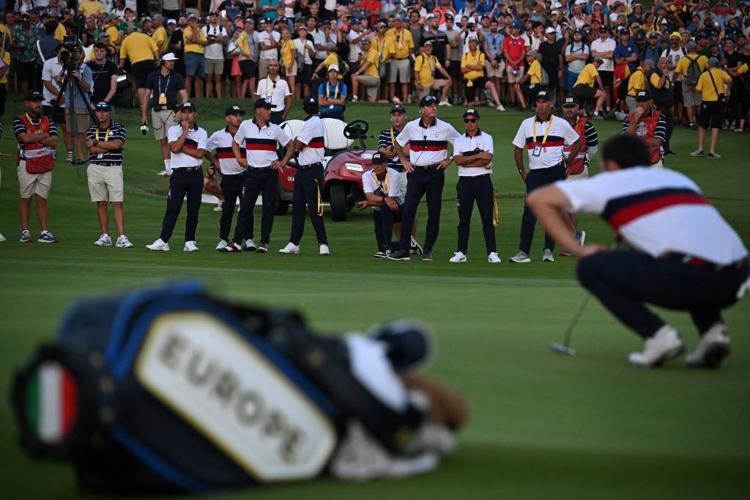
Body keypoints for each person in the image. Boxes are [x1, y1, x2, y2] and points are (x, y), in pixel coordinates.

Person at [527, 134, 749, 368]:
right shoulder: (677, 179)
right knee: (694, 259)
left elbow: (539, 199)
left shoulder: (611, 182)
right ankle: (714, 332)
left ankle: (658, 336)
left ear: (612, 165)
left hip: (692, 278)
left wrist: (577, 250)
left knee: (591, 267)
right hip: (738, 278)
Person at [510, 90, 581, 264]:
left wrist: (567, 163)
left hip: (555, 171)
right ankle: (523, 252)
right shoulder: (526, 124)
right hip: (535, 173)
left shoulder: (561, 123)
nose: (541, 105)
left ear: (551, 104)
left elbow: (578, 142)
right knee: (529, 211)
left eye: (544, 102)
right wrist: (521, 171)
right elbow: (518, 148)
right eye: (538, 102)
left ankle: (548, 250)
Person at [388, 95, 460, 262]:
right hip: (416, 173)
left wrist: (449, 159)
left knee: (434, 211)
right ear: (421, 109)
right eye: (428, 106)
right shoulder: (412, 126)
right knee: (408, 210)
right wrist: (404, 160)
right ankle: (404, 248)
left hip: (435, 173)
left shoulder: (445, 127)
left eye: (434, 105)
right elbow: (398, 144)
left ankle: (428, 249)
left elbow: (461, 143)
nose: (433, 108)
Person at [231, 99, 293, 253]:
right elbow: (235, 143)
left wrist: (283, 162)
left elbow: (290, 145)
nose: (269, 112)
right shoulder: (245, 126)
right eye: (266, 109)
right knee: (245, 208)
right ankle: (237, 242)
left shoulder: (276, 129)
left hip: (270, 174)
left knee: (268, 209)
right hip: (252, 173)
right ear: (258, 110)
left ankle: (264, 243)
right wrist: (239, 159)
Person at [146, 102, 207, 252]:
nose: (187, 115)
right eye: (184, 112)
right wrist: (185, 133)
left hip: (195, 173)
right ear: (180, 114)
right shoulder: (173, 130)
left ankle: (190, 241)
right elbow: (173, 148)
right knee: (172, 208)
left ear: (195, 114)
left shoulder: (202, 132)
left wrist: (181, 147)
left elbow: (200, 154)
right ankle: (163, 240)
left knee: (193, 209)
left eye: (190, 112)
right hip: (179, 174)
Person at [279, 96, 330, 256]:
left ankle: (323, 243)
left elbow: (299, 145)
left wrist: (295, 141)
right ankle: (294, 242)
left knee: (315, 209)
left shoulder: (313, 122)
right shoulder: (312, 122)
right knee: (298, 208)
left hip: (312, 170)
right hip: (303, 170)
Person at [449, 108, 500, 264]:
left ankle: (492, 252)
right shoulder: (459, 140)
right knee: (464, 220)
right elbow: (458, 161)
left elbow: (488, 158)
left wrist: (467, 159)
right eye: (467, 121)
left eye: (472, 120)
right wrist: (478, 156)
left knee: (487, 219)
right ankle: (462, 252)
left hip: (483, 181)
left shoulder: (487, 138)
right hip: (465, 182)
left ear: (478, 121)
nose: (469, 123)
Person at [84, 102, 132, 249]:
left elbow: (117, 144)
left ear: (109, 112)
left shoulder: (119, 127)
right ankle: (105, 236)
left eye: (104, 111)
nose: (101, 114)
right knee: (101, 202)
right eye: (99, 111)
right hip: (95, 168)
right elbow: (90, 149)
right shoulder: (91, 129)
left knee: (117, 202)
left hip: (113, 168)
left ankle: (122, 237)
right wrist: (110, 146)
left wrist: (98, 143)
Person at [14, 91, 58, 244]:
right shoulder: (19, 120)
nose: (38, 104)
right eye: (34, 101)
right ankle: (25, 232)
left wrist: (35, 137)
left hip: (45, 163)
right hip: (27, 163)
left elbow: (54, 141)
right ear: (27, 103)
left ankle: (44, 232)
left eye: (39, 101)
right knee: (26, 198)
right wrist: (43, 136)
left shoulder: (48, 120)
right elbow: (24, 138)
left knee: (42, 199)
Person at [205, 105, 247, 252]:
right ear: (227, 118)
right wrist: (215, 162)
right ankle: (223, 239)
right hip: (228, 178)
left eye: (240, 115)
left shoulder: (247, 133)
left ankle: (248, 239)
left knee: (245, 209)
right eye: (235, 115)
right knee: (227, 210)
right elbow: (205, 149)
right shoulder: (218, 135)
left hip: (244, 176)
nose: (239, 118)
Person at [559, 96, 598, 256]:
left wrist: (585, 160)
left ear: (578, 108)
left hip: (578, 169)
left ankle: (572, 242)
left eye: (572, 106)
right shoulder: (556, 123)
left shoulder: (586, 124)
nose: (569, 110)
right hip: (560, 169)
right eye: (567, 106)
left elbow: (593, 146)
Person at [356, 151, 407, 258]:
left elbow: (392, 200)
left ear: (386, 164)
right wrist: (383, 199)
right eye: (375, 164)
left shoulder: (394, 175)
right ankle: (388, 247)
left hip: (398, 208)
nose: (377, 167)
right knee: (379, 214)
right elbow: (370, 196)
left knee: (385, 211)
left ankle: (386, 248)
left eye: (380, 164)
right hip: (382, 207)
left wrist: (368, 203)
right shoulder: (367, 175)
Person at [145, 52, 187, 175]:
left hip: (170, 111)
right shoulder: (153, 76)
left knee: (172, 139)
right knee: (162, 140)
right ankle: (168, 168)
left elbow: (184, 96)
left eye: (173, 61)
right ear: (164, 62)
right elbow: (147, 95)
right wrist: (143, 113)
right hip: (156, 111)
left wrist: (180, 110)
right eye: (170, 61)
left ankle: (175, 167)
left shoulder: (176, 76)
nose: (172, 63)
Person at [691, 57, 732, 159]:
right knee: (715, 126)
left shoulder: (704, 75)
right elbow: (730, 79)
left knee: (702, 125)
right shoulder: (721, 72)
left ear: (708, 65)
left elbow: (698, 89)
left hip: (706, 102)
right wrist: (728, 90)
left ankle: (700, 149)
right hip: (718, 102)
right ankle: (712, 151)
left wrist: (705, 90)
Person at [119, 25, 159, 121]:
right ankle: (156, 104)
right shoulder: (145, 36)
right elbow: (155, 49)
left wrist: (120, 66)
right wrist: (157, 59)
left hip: (137, 63)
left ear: (127, 33)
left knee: (141, 86)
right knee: (153, 84)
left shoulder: (126, 40)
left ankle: (143, 106)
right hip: (150, 61)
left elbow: (122, 57)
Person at [622, 90, 668, 167]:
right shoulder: (629, 118)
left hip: (653, 160)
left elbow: (657, 141)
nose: (640, 104)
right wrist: (635, 120)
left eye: (643, 101)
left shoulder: (659, 116)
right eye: (638, 101)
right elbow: (625, 141)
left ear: (650, 102)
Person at [461, 37, 503, 109]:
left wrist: (469, 66)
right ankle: (485, 101)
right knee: (470, 104)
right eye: (471, 43)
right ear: (468, 45)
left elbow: (481, 67)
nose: (473, 44)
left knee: (491, 84)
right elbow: (462, 70)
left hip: (479, 78)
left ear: (477, 44)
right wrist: (476, 66)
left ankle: (499, 104)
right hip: (469, 80)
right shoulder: (465, 55)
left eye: (475, 43)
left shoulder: (481, 54)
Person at [675, 41, 707, 128]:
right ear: (696, 48)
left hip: (686, 82)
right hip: (699, 82)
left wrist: (673, 81)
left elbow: (677, 72)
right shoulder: (703, 58)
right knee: (699, 102)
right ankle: (701, 120)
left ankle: (691, 122)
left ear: (688, 49)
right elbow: (709, 68)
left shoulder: (683, 59)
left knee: (688, 103)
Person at [383, 15, 414, 104]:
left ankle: (404, 99)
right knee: (392, 81)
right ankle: (392, 99)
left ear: (403, 22)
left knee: (404, 81)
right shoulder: (389, 32)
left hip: (404, 59)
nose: (398, 23)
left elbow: (411, 47)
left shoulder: (407, 33)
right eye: (396, 21)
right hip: (393, 58)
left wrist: (410, 57)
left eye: (400, 21)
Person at [413, 41, 451, 105]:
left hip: (432, 82)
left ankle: (442, 101)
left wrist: (449, 77)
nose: (428, 48)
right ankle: (413, 98)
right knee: (424, 103)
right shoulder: (420, 58)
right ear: (424, 48)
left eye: (430, 47)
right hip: (423, 83)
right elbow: (416, 72)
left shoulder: (434, 58)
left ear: (432, 48)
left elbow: (441, 69)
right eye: (427, 47)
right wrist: (419, 83)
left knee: (447, 82)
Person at [255, 59, 292, 124]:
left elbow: (289, 100)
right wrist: (258, 113)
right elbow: (257, 99)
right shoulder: (261, 82)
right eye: (271, 65)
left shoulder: (283, 82)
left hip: (278, 112)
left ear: (278, 67)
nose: (273, 67)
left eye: (275, 65)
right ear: (267, 67)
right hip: (264, 113)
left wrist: (283, 116)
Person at [591, 26, 616, 114]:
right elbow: (594, 55)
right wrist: (605, 53)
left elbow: (611, 55)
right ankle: (600, 108)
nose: (603, 33)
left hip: (608, 68)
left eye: (604, 31)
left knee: (607, 88)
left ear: (607, 32)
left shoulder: (612, 42)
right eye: (601, 31)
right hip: (597, 69)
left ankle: (608, 108)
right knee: (598, 88)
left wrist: (599, 54)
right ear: (599, 32)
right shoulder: (594, 42)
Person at [203, 11, 228, 99]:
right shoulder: (205, 28)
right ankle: (207, 97)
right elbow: (205, 41)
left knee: (218, 79)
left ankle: (219, 97)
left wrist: (212, 38)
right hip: (208, 56)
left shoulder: (222, 28)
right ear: (209, 18)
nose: (214, 18)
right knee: (208, 79)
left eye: (215, 16)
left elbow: (224, 40)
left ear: (217, 18)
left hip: (219, 57)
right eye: (212, 16)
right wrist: (217, 38)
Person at [183, 14, 207, 98]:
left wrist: (196, 41)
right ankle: (186, 97)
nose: (193, 22)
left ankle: (198, 98)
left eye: (194, 20)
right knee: (189, 76)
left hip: (200, 54)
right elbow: (192, 39)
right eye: (191, 20)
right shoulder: (186, 30)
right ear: (188, 21)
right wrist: (194, 30)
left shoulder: (201, 30)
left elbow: (205, 42)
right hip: (191, 53)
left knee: (199, 77)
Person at [351, 37, 381, 103]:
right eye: (363, 44)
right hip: (369, 77)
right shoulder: (365, 53)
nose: (364, 45)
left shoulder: (373, 51)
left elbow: (368, 64)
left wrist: (357, 73)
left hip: (373, 77)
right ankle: (393, 101)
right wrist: (360, 60)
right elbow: (361, 66)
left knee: (354, 77)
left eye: (365, 44)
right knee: (372, 102)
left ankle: (354, 98)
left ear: (370, 44)